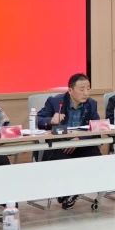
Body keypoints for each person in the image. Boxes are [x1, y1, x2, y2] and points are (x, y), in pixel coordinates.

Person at [37, 73, 102, 209]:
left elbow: (96, 128)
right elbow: (39, 121)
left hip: (80, 144)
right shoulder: (55, 102)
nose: (86, 93)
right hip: (60, 145)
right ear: (70, 90)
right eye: (81, 89)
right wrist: (51, 120)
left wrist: (79, 139)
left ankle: (74, 191)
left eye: (88, 89)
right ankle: (66, 192)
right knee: (61, 160)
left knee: (95, 155)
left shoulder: (91, 104)